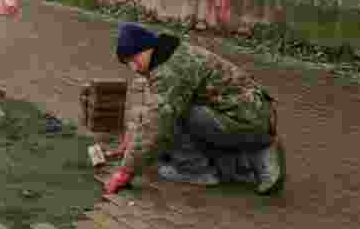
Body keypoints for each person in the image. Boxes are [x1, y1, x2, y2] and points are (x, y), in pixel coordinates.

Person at [104, 23, 286, 196]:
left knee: (173, 118)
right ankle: (251, 156)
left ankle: (195, 170)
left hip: (246, 118)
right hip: (251, 112)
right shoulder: (171, 53)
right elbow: (153, 107)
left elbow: (156, 123)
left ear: (147, 48)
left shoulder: (170, 71)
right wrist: (134, 138)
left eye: (134, 59)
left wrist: (125, 171)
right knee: (171, 122)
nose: (133, 68)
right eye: (128, 63)